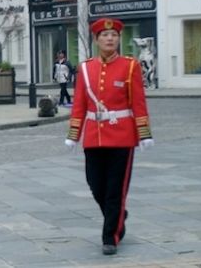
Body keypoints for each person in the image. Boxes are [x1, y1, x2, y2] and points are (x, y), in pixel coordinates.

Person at [65, 18, 154, 256]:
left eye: (114, 35)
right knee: (95, 185)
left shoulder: (130, 66)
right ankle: (118, 216)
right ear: (96, 40)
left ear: (118, 39)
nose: (110, 39)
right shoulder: (85, 68)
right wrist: (74, 135)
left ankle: (110, 237)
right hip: (94, 136)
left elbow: (138, 101)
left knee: (116, 189)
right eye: (105, 36)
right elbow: (79, 104)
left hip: (123, 136)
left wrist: (144, 133)